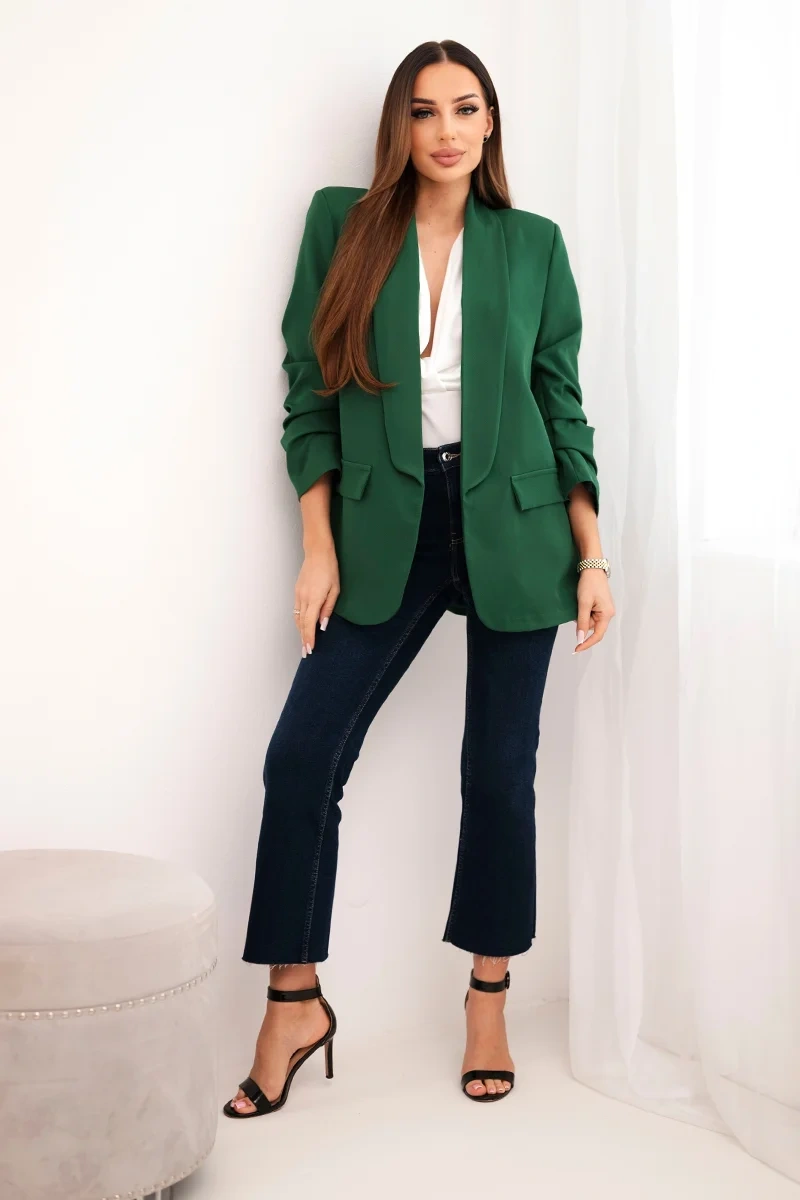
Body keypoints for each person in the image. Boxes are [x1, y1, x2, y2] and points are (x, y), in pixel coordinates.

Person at [224, 38, 615, 1118]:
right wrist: (317, 545)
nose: (446, 130)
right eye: (424, 110)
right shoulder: (342, 225)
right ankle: (292, 1002)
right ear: (398, 124)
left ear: (490, 125)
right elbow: (309, 389)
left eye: (466, 108)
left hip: (518, 529)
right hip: (383, 529)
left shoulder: (531, 244)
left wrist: (591, 551)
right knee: (302, 758)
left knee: (497, 773)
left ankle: (487, 998)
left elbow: (561, 402)